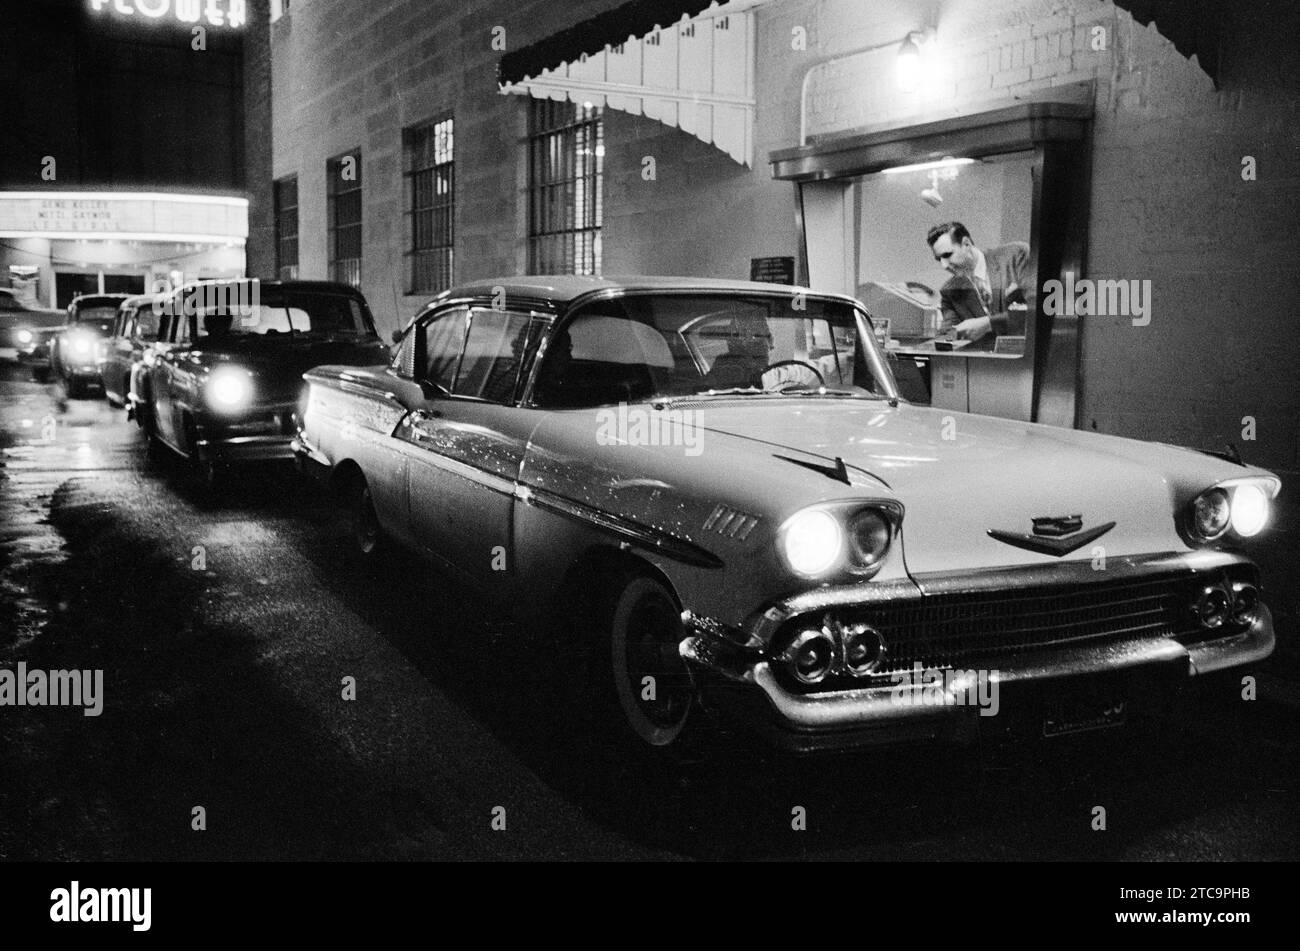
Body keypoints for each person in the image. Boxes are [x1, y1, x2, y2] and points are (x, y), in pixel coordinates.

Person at [925, 222, 1032, 350]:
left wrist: (989, 323)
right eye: (939, 259)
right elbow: (946, 335)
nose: (944, 265)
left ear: (966, 244)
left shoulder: (1015, 255)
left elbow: (1039, 310)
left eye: (947, 255)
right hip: (987, 366)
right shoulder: (949, 291)